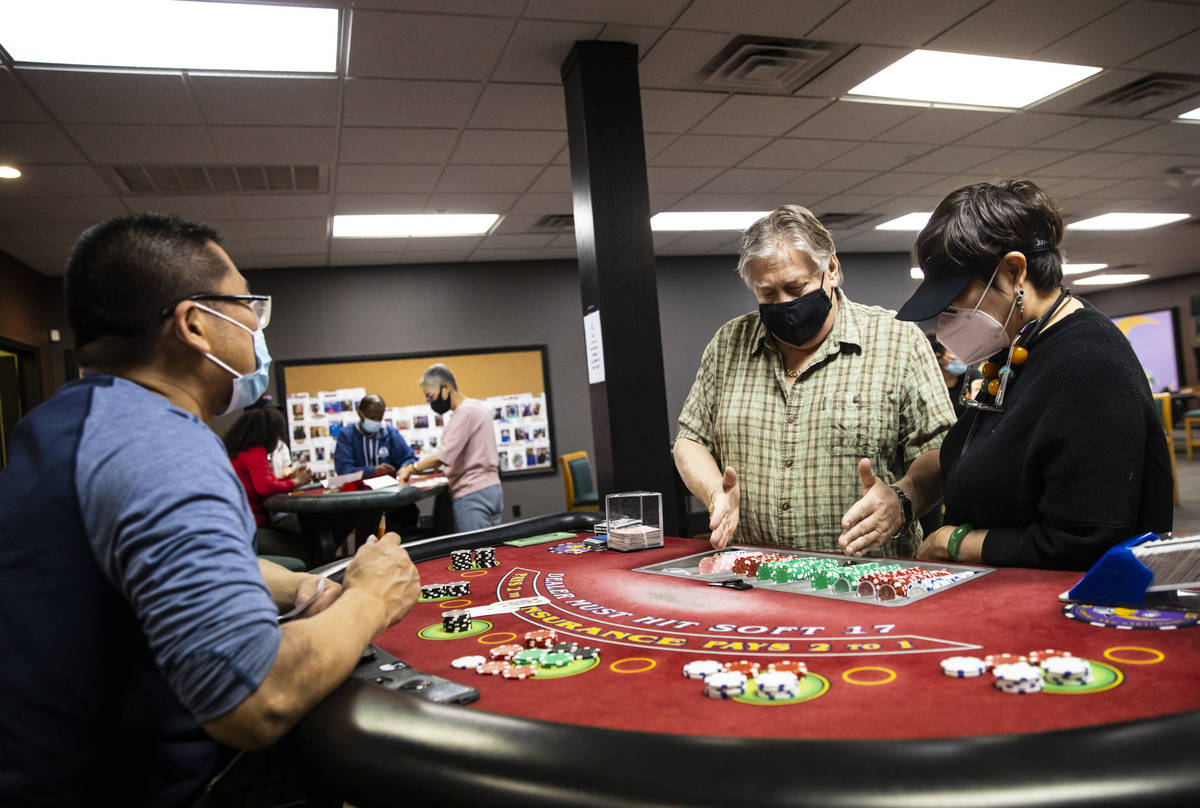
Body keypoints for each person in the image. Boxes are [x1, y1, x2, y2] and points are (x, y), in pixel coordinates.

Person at [0, 213, 420, 806]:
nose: (258, 326)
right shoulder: (162, 443)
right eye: (249, 305)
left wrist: (288, 584)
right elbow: (254, 698)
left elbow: (119, 571)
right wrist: (370, 599)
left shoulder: (64, 423)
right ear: (195, 324)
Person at [897, 179, 1173, 570]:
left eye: (956, 299)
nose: (949, 319)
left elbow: (1088, 540)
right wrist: (903, 493)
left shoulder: (1087, 362)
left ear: (1013, 271)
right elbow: (974, 453)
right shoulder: (1020, 350)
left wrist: (955, 542)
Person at [673, 205, 954, 558]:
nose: (784, 303)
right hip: (752, 577)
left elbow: (940, 450)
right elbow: (690, 440)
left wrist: (902, 498)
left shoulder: (898, 341)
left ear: (831, 270)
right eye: (768, 294)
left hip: (867, 582)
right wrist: (714, 491)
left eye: (795, 287)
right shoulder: (729, 343)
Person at [399, 364, 503, 532]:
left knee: (474, 552)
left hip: (472, 493)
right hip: (492, 490)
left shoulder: (464, 413)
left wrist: (411, 469)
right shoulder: (478, 408)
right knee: (488, 551)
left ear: (445, 388)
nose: (430, 402)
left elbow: (442, 457)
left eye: (429, 396)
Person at [332, 393, 416, 479]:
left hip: (388, 487)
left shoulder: (390, 432)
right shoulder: (347, 435)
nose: (376, 421)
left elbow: (409, 458)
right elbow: (344, 470)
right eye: (372, 417)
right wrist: (373, 471)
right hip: (357, 488)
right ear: (360, 413)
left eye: (379, 418)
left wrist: (404, 468)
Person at [925, 332, 981, 419]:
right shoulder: (931, 387)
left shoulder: (972, 377)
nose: (960, 356)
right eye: (954, 352)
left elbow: (979, 384)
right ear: (939, 358)